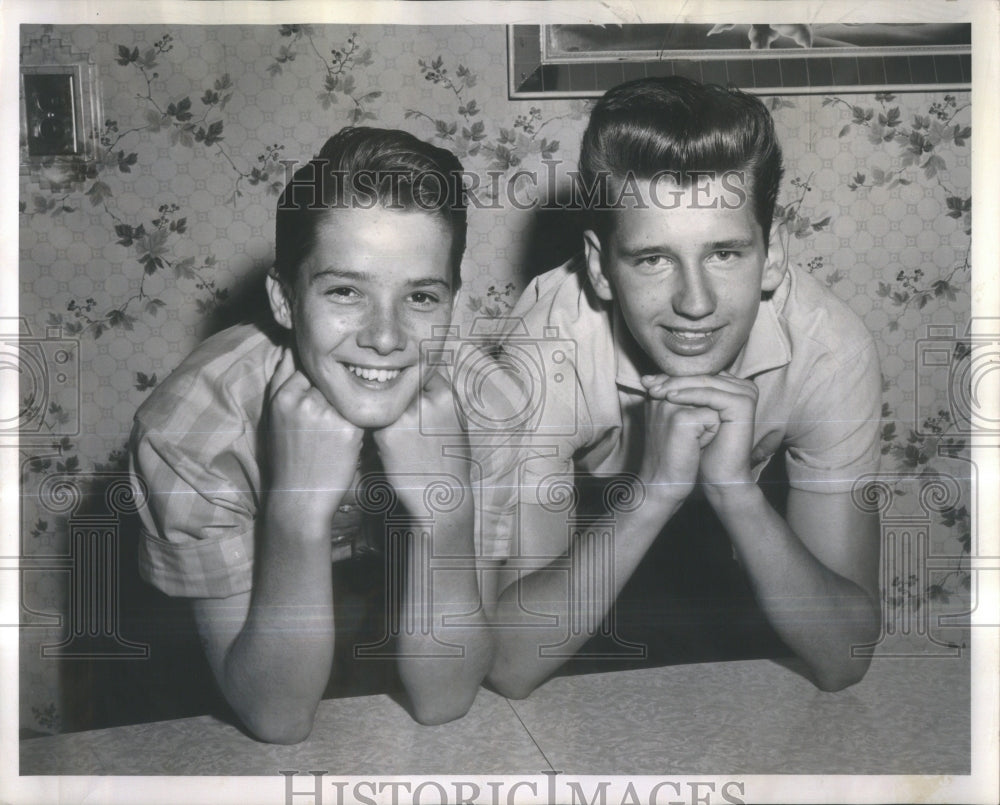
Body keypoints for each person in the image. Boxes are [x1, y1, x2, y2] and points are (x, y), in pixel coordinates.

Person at [484, 77, 882, 698]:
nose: (694, 304)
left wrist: (735, 491)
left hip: (729, 545)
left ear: (773, 254)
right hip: (594, 532)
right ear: (599, 267)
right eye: (652, 259)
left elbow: (845, 658)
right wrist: (654, 492)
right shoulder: (540, 354)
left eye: (724, 254)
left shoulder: (830, 352)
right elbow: (508, 663)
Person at [130, 126, 492, 743]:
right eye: (346, 291)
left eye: (422, 297)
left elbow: (445, 699)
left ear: (454, 302)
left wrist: (447, 513)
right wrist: (295, 512)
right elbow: (276, 717)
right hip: (235, 678)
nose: (385, 337)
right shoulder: (191, 430)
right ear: (284, 299)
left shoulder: (487, 402)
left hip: (394, 670)